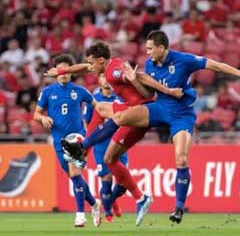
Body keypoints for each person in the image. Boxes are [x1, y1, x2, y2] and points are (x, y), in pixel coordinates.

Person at [63, 30, 240, 223]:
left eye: (150, 48)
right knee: (121, 116)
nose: (147, 53)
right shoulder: (149, 65)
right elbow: (147, 94)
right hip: (158, 107)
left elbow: (217, 65)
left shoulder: (184, 60)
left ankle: (178, 207)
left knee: (182, 159)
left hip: (181, 115)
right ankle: (83, 147)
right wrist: (138, 80)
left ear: (162, 47)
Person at [45, 41, 183, 226]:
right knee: (110, 158)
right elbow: (82, 67)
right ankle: (141, 198)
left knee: (102, 109)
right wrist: (61, 72)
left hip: (140, 110)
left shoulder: (114, 70)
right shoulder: (105, 67)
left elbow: (140, 76)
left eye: (92, 63)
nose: (90, 67)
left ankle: (82, 149)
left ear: (101, 60)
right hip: (131, 110)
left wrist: (167, 91)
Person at [33, 54, 101, 227]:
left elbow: (98, 108)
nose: (63, 74)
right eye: (60, 70)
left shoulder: (80, 91)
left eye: (66, 70)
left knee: (75, 173)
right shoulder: (47, 92)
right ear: (56, 72)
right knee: (74, 177)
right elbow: (36, 114)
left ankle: (79, 215)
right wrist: (43, 119)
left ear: (71, 72)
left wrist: (94, 128)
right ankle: (94, 203)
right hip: (58, 141)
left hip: (77, 138)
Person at [83, 74, 128, 223]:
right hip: (101, 145)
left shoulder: (121, 97)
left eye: (108, 77)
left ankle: (110, 201)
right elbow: (87, 123)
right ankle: (108, 211)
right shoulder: (93, 100)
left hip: (120, 143)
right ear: (99, 80)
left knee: (123, 183)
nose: (106, 80)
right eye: (103, 77)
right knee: (106, 179)